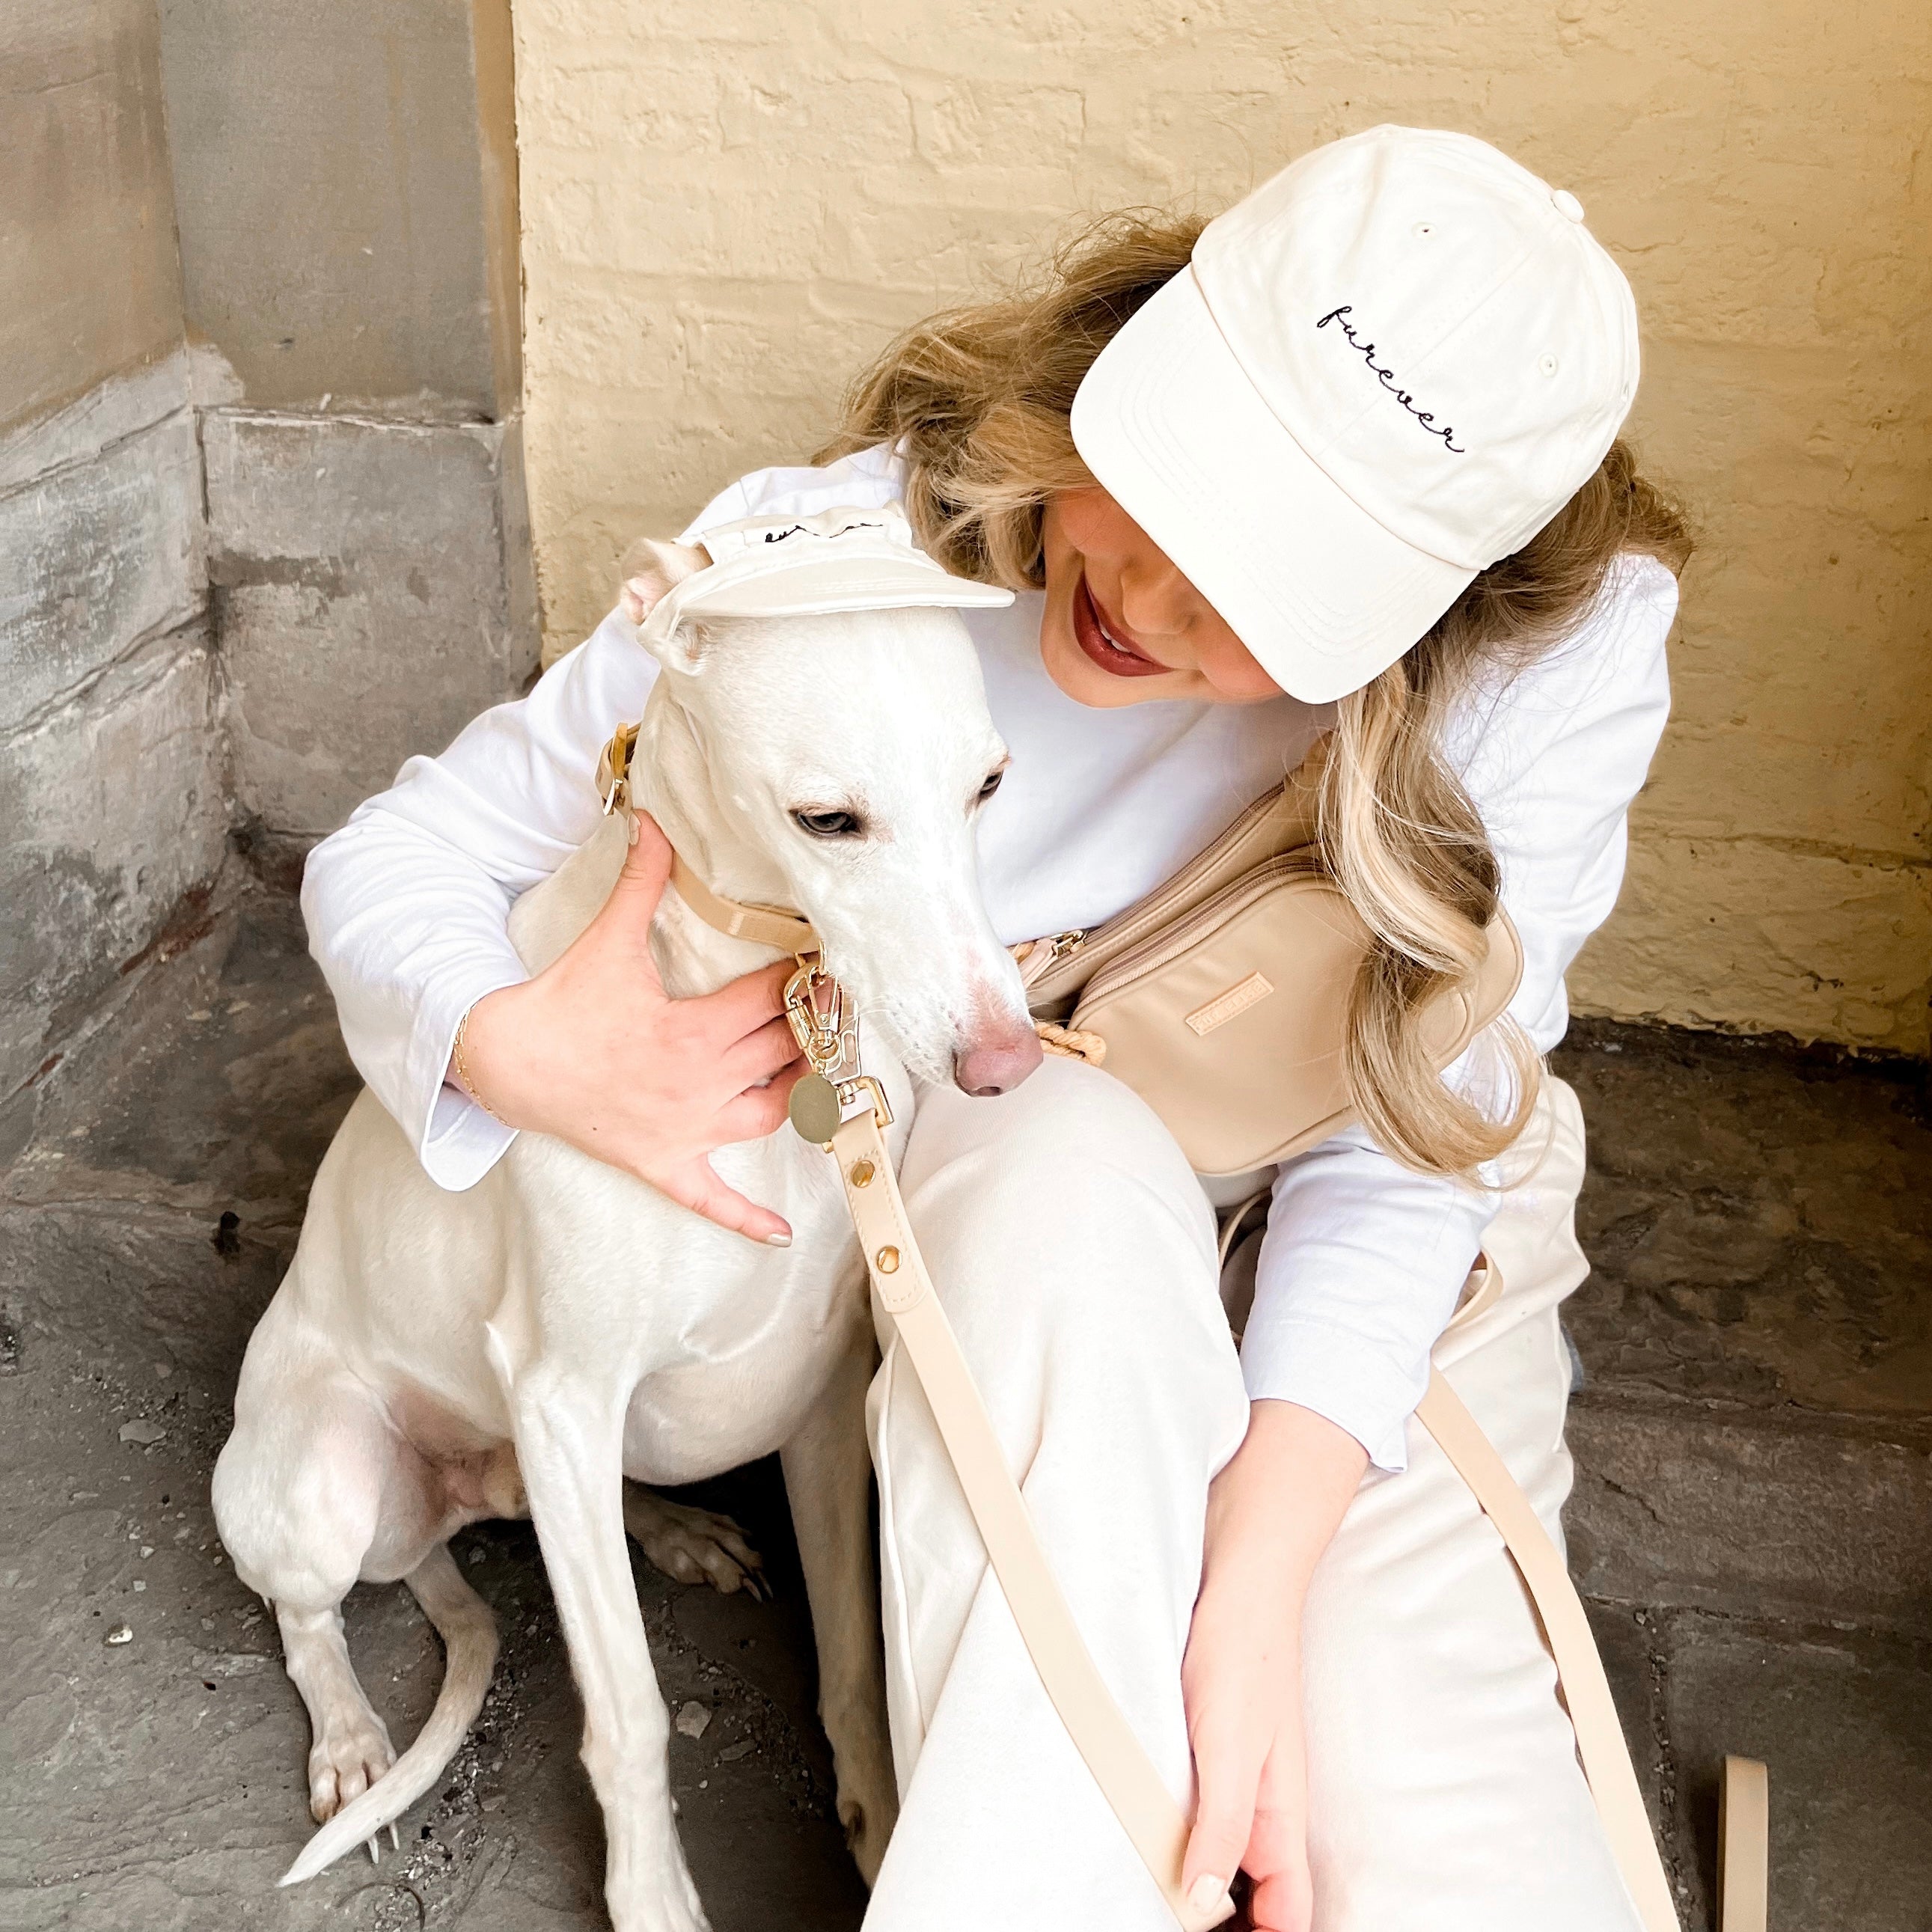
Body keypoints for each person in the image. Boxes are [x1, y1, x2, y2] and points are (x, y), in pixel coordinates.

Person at [303, 126, 1689, 1932]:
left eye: (1271, 592)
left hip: (1393, 1194)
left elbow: (1410, 1149)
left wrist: (1256, 1588)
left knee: (1417, 1829)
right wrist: (524, 1049)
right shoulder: (841, 562)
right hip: (1031, 1133)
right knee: (1084, 1753)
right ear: (1129, 355)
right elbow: (404, 855)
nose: (1148, 600)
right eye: (1171, 483)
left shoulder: (1560, 652)